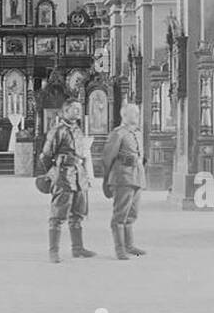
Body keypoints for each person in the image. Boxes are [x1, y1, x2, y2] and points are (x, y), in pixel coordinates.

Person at [39, 97, 95, 263]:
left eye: (79, 109)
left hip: (78, 175)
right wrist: (53, 172)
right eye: (74, 109)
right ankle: (53, 251)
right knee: (58, 214)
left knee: (78, 213)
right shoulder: (57, 130)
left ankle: (77, 248)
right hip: (63, 175)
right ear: (65, 111)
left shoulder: (77, 129)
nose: (78, 111)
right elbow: (45, 156)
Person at [103, 102, 147, 259]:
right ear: (124, 115)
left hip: (137, 178)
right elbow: (108, 157)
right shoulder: (118, 133)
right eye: (133, 113)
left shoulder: (138, 133)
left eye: (137, 113)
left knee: (132, 213)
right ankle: (119, 249)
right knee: (120, 215)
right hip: (122, 177)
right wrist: (107, 179)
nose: (137, 116)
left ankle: (129, 245)